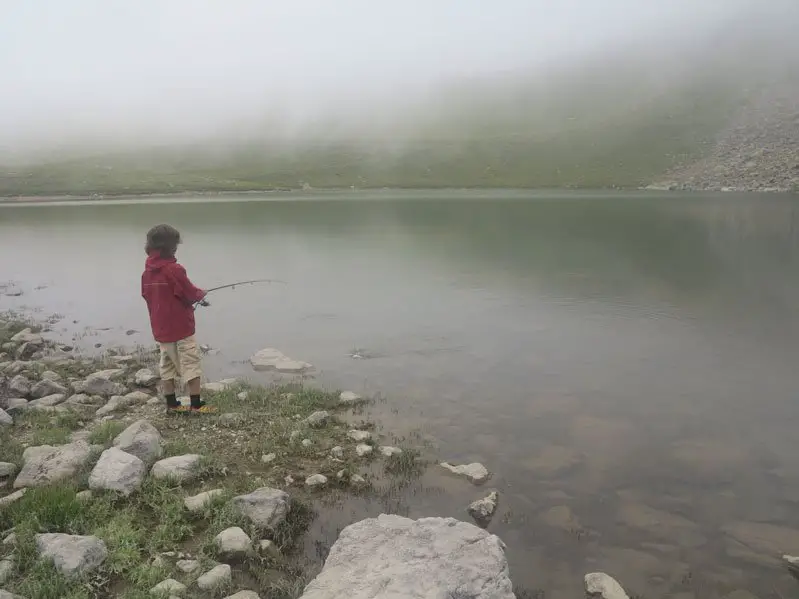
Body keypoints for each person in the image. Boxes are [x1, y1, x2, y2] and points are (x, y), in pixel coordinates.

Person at [141, 224, 214, 413]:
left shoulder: (146, 273)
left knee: (166, 365)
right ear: (171, 247)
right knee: (190, 364)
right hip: (181, 328)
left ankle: (172, 405)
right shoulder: (174, 269)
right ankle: (196, 406)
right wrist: (201, 294)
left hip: (161, 329)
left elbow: (146, 295)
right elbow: (189, 293)